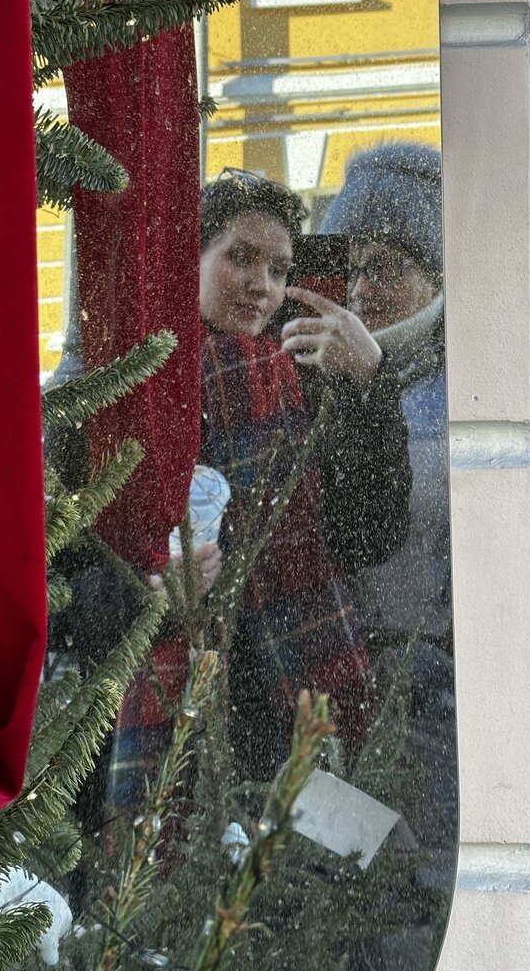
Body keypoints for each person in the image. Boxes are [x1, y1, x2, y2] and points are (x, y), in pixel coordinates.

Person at [105, 171, 412, 811]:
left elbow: (371, 534)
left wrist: (372, 383)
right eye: (240, 258)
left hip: (288, 723)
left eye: (278, 269)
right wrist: (150, 588)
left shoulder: (303, 383)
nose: (261, 286)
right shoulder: (129, 390)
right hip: (164, 720)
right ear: (190, 259)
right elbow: (64, 578)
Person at [320, 141, 456, 943]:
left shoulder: (471, 385)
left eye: (391, 267)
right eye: (353, 267)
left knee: (428, 900)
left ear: (437, 276)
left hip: (438, 702)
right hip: (330, 689)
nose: (365, 289)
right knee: (350, 899)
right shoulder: (310, 376)